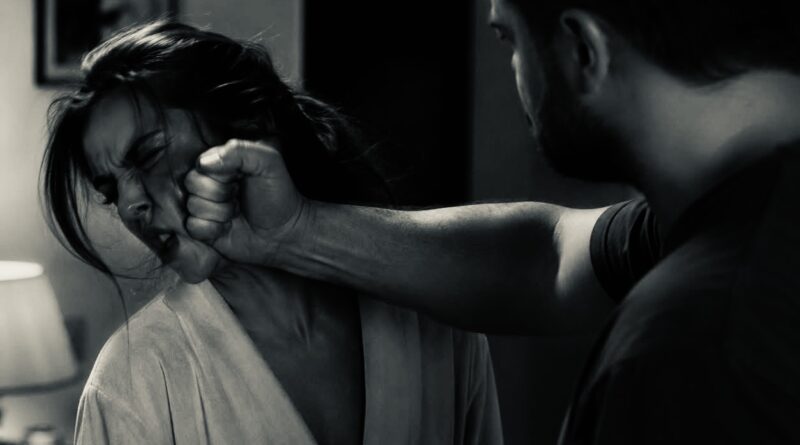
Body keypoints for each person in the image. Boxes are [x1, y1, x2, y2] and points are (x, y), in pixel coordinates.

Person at [184, 0, 800, 443]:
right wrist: (295, 232)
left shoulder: (690, 355)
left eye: (509, 40)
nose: (516, 74)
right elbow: (547, 258)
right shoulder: (734, 214)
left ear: (583, 52)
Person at [41, 22, 505, 444]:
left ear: (251, 124)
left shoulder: (435, 318)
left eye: (148, 156)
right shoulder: (132, 381)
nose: (129, 206)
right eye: (110, 191)